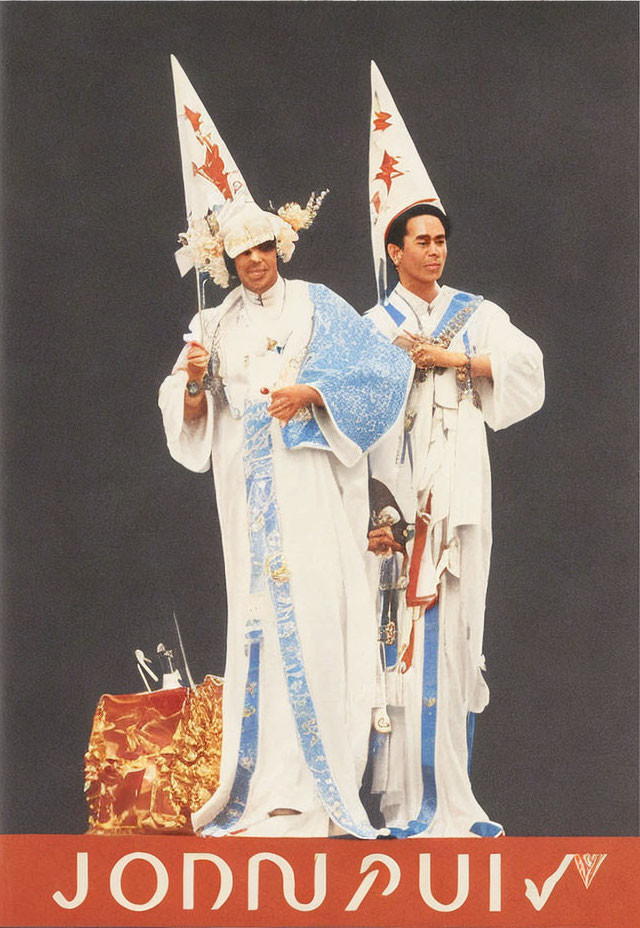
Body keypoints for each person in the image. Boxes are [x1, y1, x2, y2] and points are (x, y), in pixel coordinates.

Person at [160, 182, 411, 837]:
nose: (257, 261)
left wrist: (313, 392)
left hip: (309, 484)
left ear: (280, 246)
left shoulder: (316, 305)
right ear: (227, 262)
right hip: (246, 488)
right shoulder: (213, 324)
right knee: (260, 624)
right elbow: (190, 413)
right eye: (243, 254)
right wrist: (192, 378)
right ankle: (265, 782)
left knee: (318, 615)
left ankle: (322, 783)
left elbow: (379, 373)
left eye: (265, 247)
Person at [365, 61, 545, 838]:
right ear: (394, 249)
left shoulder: (478, 313)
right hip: (400, 495)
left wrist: (454, 361)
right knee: (400, 640)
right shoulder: (371, 327)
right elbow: (354, 422)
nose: (435, 253)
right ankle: (406, 802)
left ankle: (453, 803)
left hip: (461, 492)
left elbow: (526, 372)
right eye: (422, 241)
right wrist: (377, 503)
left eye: (442, 240)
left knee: (457, 634)